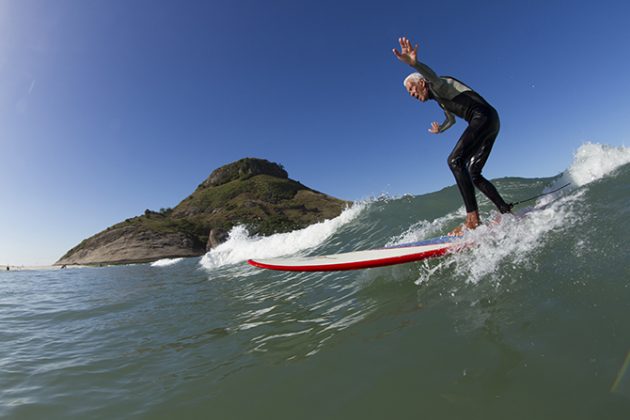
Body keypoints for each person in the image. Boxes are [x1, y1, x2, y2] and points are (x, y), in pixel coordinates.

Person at [393, 37, 512, 234]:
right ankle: (505, 211)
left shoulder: (438, 86)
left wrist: (415, 64)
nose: (412, 94)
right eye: (409, 93)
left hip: (482, 117)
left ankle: (472, 220)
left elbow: (433, 76)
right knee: (474, 173)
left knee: (455, 161)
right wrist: (441, 128)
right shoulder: (441, 100)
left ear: (422, 83)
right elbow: (452, 120)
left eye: (412, 89)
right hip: (491, 120)